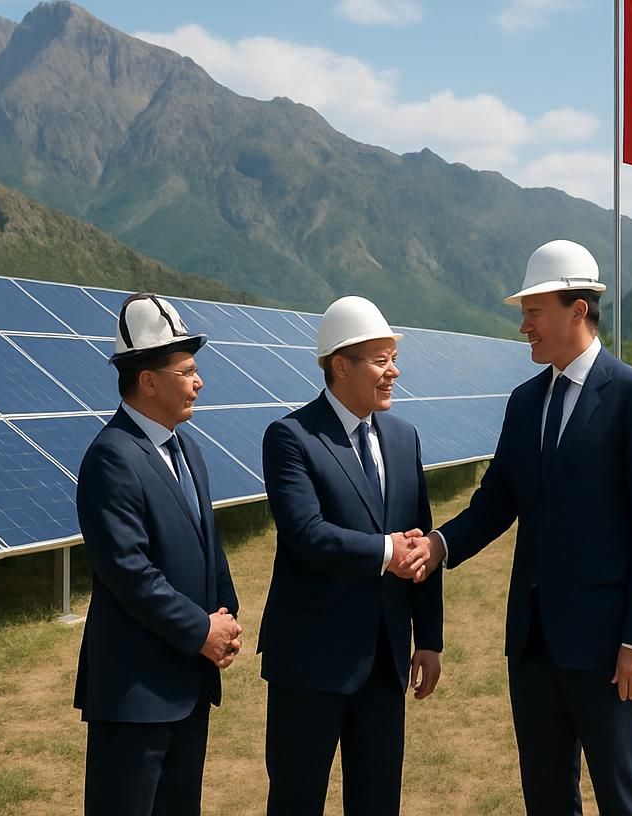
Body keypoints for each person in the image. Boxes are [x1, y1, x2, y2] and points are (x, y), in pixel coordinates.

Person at [422, 240, 632, 815]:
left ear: (577, 310)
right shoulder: (524, 401)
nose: (523, 326)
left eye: (534, 311)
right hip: (533, 641)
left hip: (606, 643)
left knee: (621, 793)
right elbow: (497, 501)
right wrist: (440, 544)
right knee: (545, 793)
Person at [259, 295, 444, 816]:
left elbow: (421, 539)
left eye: (393, 358)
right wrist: (387, 550)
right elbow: (307, 535)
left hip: (385, 663)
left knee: (378, 800)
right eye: (381, 360)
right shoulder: (291, 438)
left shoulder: (404, 438)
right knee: (298, 799)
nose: (394, 372)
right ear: (340, 365)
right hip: (310, 664)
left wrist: (428, 639)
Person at [74, 292, 240, 816]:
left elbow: (206, 543)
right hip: (135, 694)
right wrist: (201, 631)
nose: (199, 382)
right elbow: (130, 573)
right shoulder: (112, 458)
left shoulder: (186, 447)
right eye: (187, 371)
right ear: (148, 381)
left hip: (186, 683)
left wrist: (226, 617)